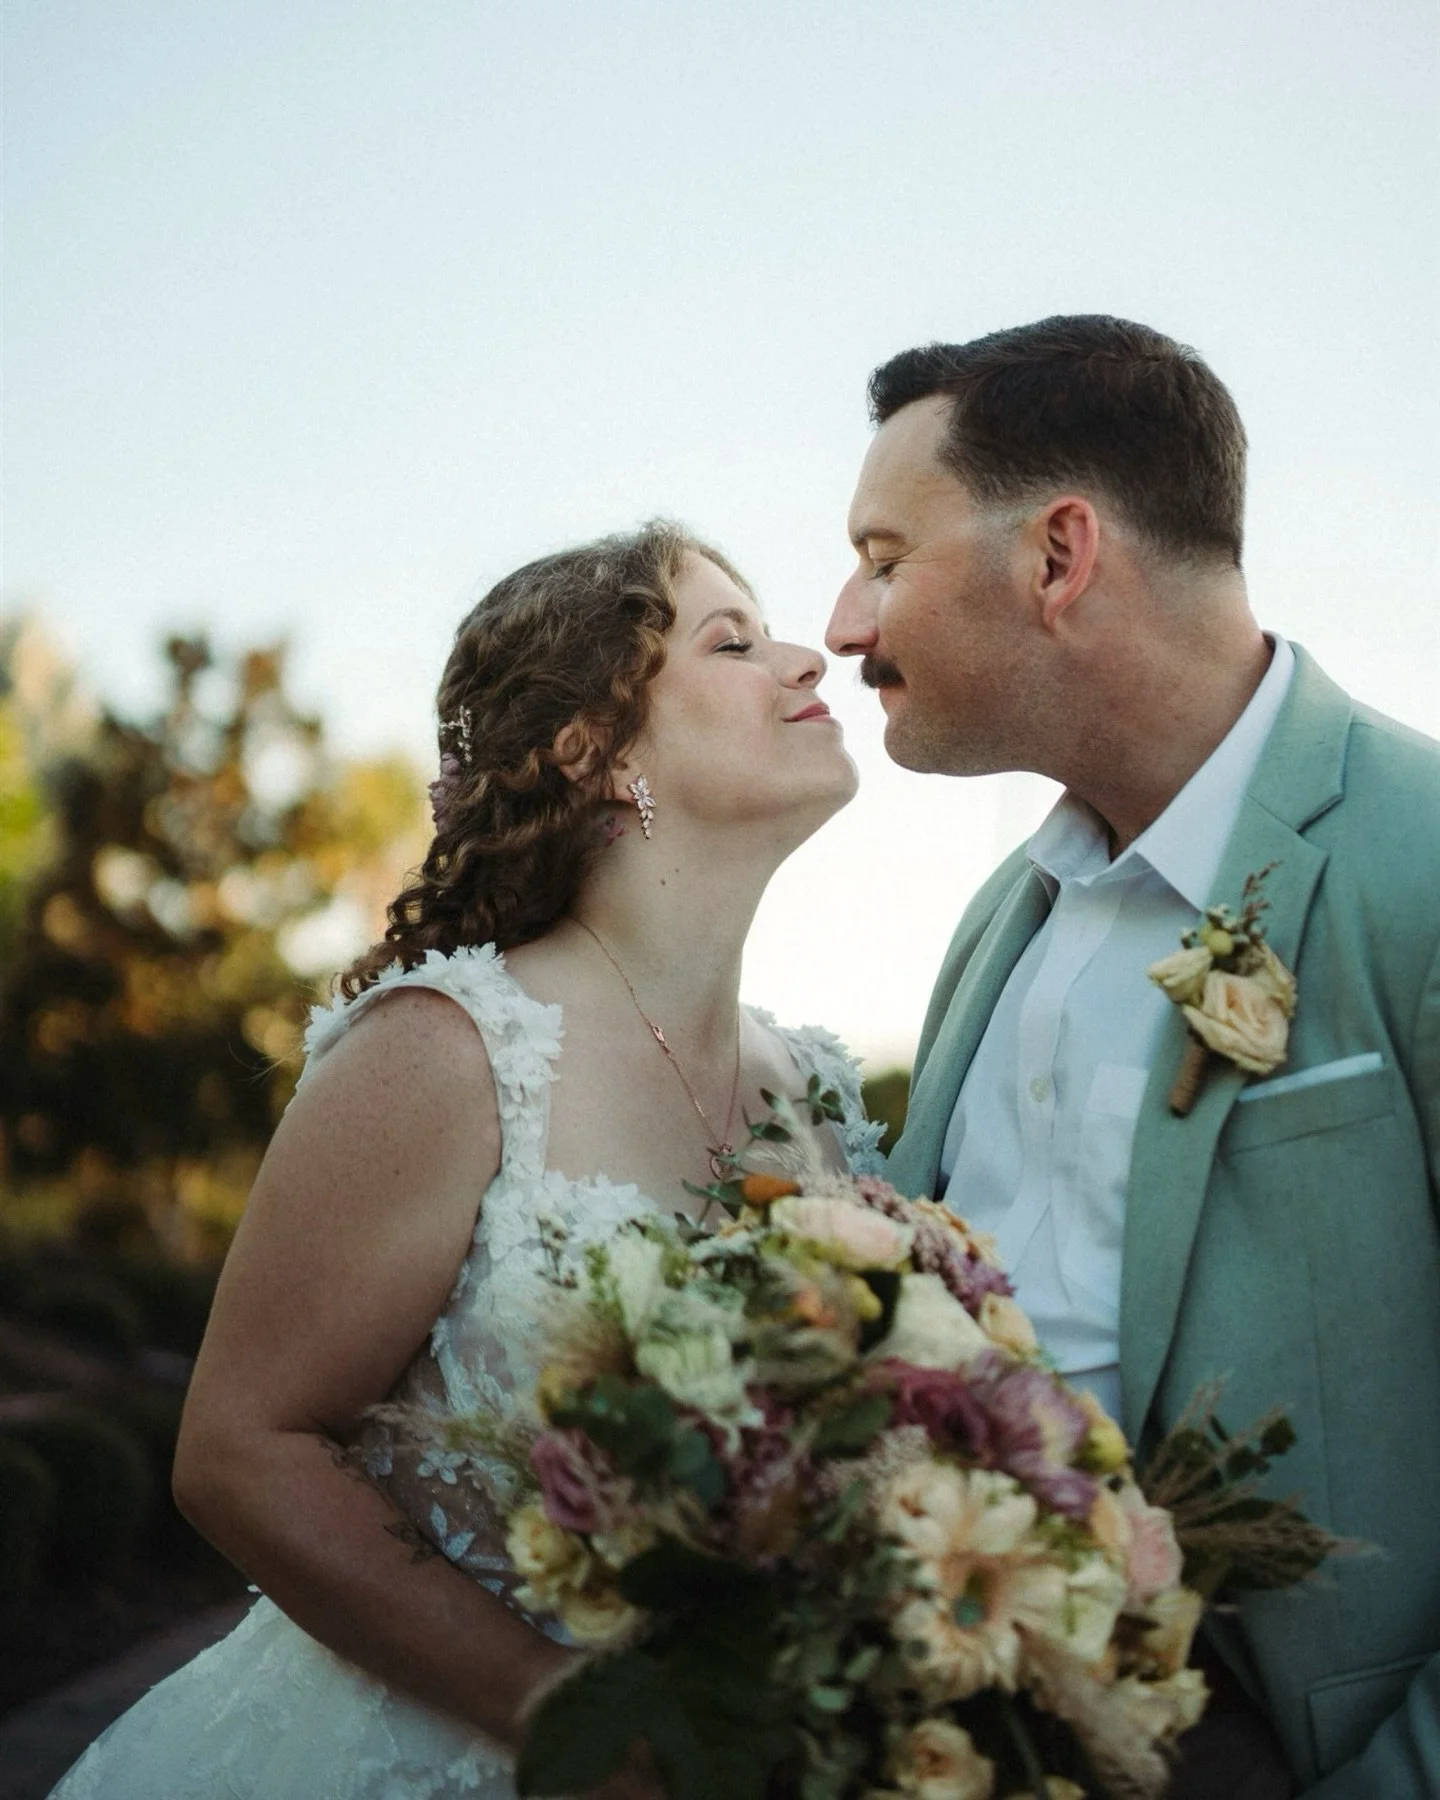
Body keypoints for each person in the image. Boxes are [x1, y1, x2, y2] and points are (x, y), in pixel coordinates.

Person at [49, 521, 880, 1800]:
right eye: (732, 639)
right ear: (591, 753)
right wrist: (579, 1722)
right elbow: (238, 1449)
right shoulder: (449, 1049)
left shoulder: (817, 1091)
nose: (805, 660)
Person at [825, 316, 1440, 1799]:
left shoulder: (1420, 858)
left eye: (886, 556)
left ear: (1057, 556)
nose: (845, 623)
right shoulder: (999, 917)